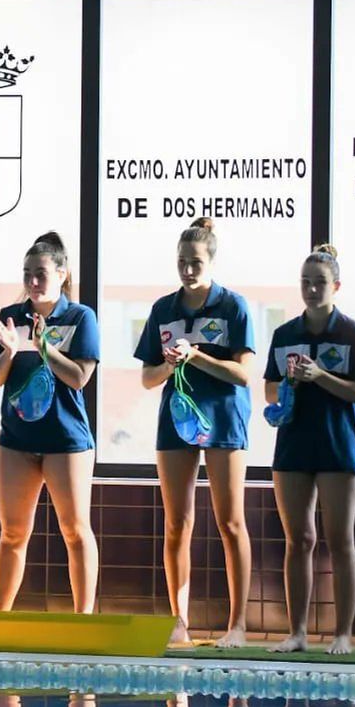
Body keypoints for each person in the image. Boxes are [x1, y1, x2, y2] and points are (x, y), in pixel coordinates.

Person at [136, 218, 255, 647]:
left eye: (196, 262)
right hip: (177, 421)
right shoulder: (163, 310)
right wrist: (170, 363)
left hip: (224, 420)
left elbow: (243, 375)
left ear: (212, 261)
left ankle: (237, 625)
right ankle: (179, 621)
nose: (188, 270)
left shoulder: (233, 306)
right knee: (177, 524)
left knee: (230, 522)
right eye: (183, 262)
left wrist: (196, 356)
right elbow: (149, 378)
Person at [264, 244, 355, 655]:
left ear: (336, 286)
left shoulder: (351, 332)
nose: (312, 290)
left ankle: (342, 633)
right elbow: (271, 389)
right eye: (306, 283)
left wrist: (319, 375)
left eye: (320, 283)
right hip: (293, 447)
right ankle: (297, 633)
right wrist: (290, 383)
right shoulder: (285, 334)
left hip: (337, 446)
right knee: (299, 540)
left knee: (340, 540)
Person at [0, 232, 100, 613]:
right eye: (27, 273)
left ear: (62, 274)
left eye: (41, 273)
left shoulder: (80, 317)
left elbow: (80, 377)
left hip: (66, 439)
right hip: (17, 439)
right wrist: (11, 350)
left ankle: (83, 619)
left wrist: (44, 346)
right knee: (13, 533)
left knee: (74, 530)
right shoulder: (10, 318)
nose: (33, 282)